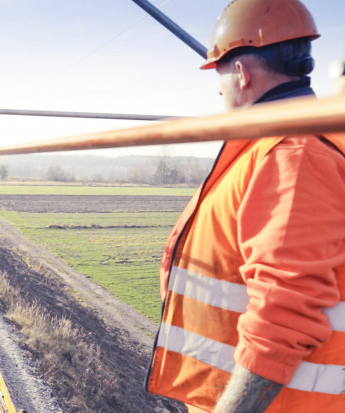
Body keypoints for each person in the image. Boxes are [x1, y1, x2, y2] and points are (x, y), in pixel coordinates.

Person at [145, 0, 345, 412]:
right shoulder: (274, 145)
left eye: (218, 74)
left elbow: (282, 318)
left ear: (241, 72)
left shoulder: (293, 153)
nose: (219, 89)